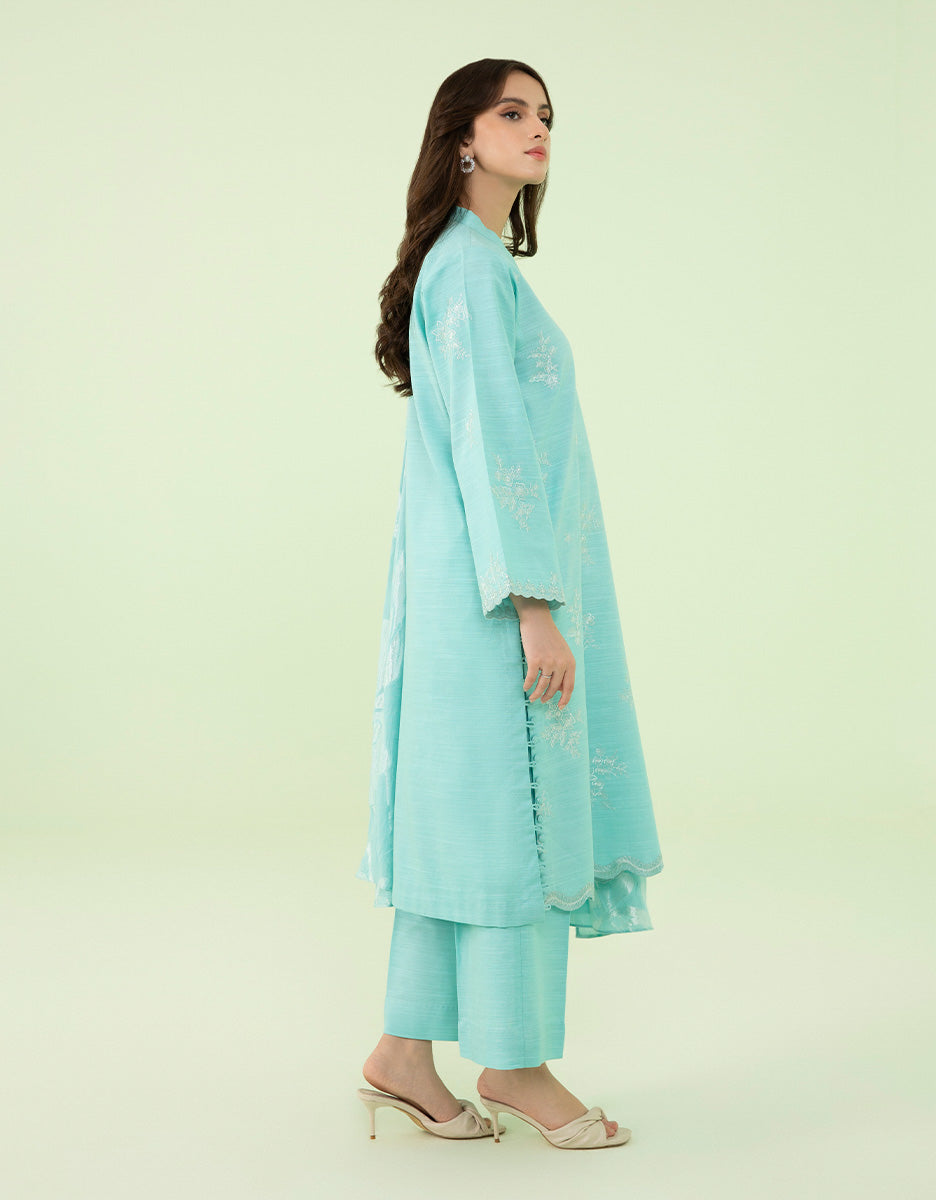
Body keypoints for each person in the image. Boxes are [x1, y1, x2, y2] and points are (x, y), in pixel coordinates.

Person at [355, 58, 663, 1150]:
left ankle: (402, 1056)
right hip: (496, 603)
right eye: (512, 112)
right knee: (516, 826)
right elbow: (495, 450)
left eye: (546, 116)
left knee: (472, 822)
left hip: (465, 594)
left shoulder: (467, 264)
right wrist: (535, 607)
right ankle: (516, 1064)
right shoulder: (472, 272)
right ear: (463, 138)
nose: (538, 130)